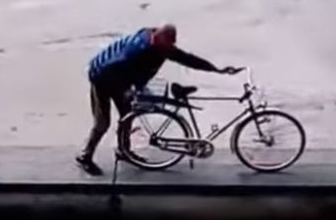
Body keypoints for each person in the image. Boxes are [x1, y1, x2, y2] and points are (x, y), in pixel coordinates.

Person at [76, 24, 242, 175]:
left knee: (127, 115)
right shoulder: (139, 52)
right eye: (169, 43)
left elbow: (186, 58)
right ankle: (85, 156)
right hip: (102, 77)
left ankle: (123, 151)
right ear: (158, 41)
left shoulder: (156, 40)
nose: (172, 46)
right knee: (102, 123)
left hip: (122, 76)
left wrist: (216, 70)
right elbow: (118, 68)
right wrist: (129, 89)